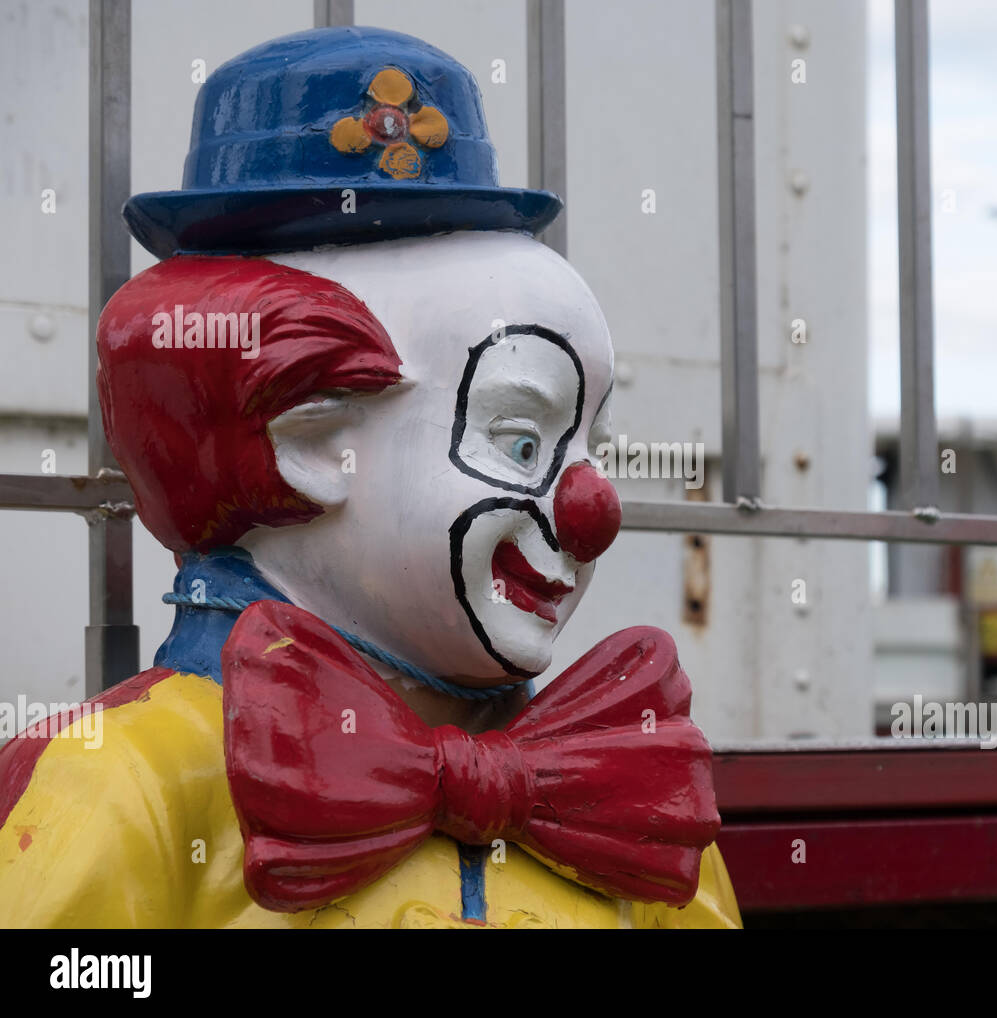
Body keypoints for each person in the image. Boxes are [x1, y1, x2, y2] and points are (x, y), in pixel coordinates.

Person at [0, 25, 739, 930]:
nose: (593, 510)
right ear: (307, 442)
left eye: (585, 442)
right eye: (519, 441)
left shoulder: (630, 806)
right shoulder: (123, 789)